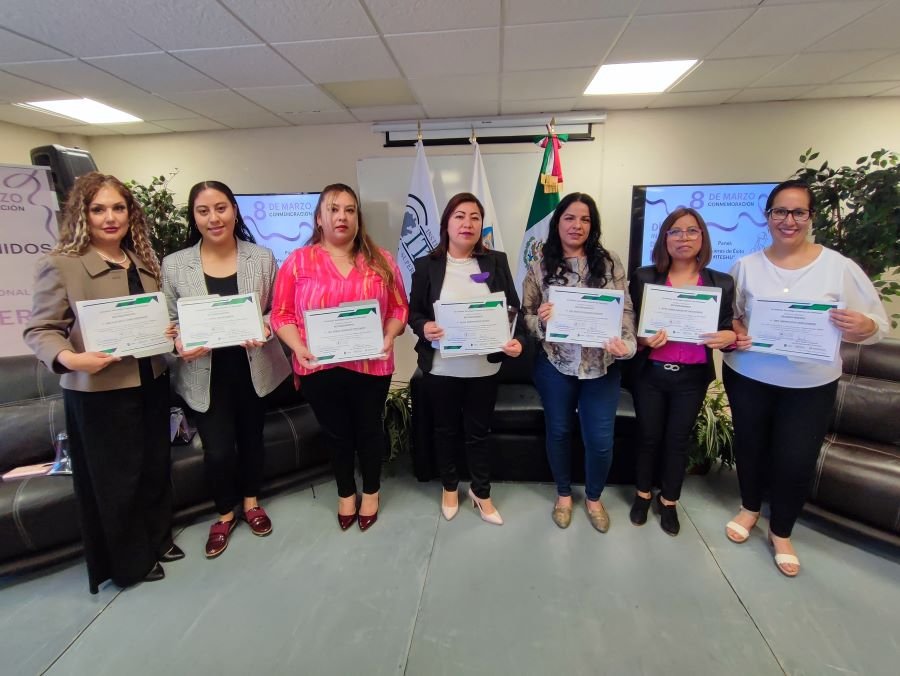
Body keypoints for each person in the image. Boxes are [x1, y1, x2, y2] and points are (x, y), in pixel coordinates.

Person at [23, 172, 181, 593]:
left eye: (118, 208)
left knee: (153, 467)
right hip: (99, 391)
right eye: (99, 209)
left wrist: (165, 332)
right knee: (117, 478)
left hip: (151, 378)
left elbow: (152, 318)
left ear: (131, 214)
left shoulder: (143, 260)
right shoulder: (62, 265)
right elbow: (40, 330)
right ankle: (128, 563)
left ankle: (158, 539)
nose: (110, 218)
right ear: (83, 215)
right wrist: (72, 358)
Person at [723, 179, 888, 577]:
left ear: (810, 217)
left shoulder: (840, 267)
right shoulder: (745, 266)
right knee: (750, 448)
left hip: (810, 384)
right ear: (768, 217)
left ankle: (781, 531)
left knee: (796, 459)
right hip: (749, 375)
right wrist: (737, 329)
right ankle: (749, 509)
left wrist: (861, 324)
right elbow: (734, 314)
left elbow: (877, 324)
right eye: (780, 211)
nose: (789, 220)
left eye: (798, 212)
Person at [162, 181, 291, 558]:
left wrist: (266, 326)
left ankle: (251, 504)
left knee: (252, 441)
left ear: (234, 210)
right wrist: (178, 343)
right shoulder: (174, 264)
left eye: (221, 208)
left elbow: (276, 308)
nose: (214, 218)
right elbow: (171, 321)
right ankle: (224, 513)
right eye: (203, 211)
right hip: (205, 373)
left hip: (254, 367)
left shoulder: (262, 257)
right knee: (217, 451)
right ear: (194, 217)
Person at [270, 183, 408, 532]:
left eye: (349, 209)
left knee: (369, 429)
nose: (342, 216)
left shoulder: (381, 260)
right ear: (319, 218)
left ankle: (372, 491)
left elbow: (399, 308)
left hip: (371, 365)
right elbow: (281, 314)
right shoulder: (298, 262)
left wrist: (390, 333)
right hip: (318, 366)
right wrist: (297, 347)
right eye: (333, 209)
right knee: (337, 433)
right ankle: (346, 493)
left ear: (358, 218)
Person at [522, 192, 636, 532]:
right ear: (558, 222)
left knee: (600, 440)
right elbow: (525, 317)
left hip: (601, 369)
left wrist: (626, 344)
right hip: (556, 366)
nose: (577, 225)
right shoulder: (539, 266)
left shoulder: (611, 261)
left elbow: (625, 308)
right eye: (570, 218)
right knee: (558, 432)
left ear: (593, 225)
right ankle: (563, 495)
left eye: (585, 219)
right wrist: (541, 321)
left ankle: (594, 497)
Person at [408, 193, 524, 525]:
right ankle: (448, 487)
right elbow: (414, 313)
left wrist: (515, 338)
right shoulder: (426, 265)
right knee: (445, 430)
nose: (467, 223)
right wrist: (424, 327)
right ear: (446, 223)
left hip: (483, 366)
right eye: (459, 216)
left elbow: (513, 308)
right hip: (442, 367)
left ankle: (481, 492)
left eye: (475, 217)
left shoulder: (496, 261)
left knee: (478, 432)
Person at [627, 207, 736, 536]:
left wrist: (729, 336)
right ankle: (643, 495)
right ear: (664, 239)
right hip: (651, 373)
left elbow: (729, 329)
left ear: (702, 237)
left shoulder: (721, 282)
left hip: (691, 377)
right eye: (675, 231)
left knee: (677, 440)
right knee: (648, 437)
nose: (683, 238)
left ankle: (669, 501)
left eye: (691, 231)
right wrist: (642, 340)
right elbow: (628, 326)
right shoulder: (645, 277)